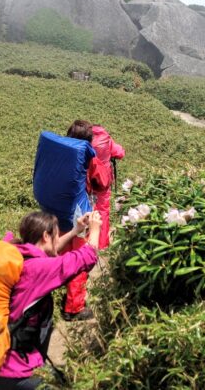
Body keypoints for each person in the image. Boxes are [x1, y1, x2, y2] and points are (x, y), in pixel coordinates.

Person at [0, 210, 102, 390]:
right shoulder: (37, 270)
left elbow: (50, 253)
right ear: (46, 236)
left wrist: (74, 231)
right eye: (56, 234)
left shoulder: (18, 255)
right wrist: (95, 230)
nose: (58, 239)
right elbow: (85, 258)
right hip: (15, 371)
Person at [62, 120, 125, 321]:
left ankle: (54, 286)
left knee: (63, 250)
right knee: (80, 257)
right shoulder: (92, 155)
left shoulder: (64, 150)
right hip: (81, 212)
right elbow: (103, 182)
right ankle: (73, 308)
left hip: (60, 208)